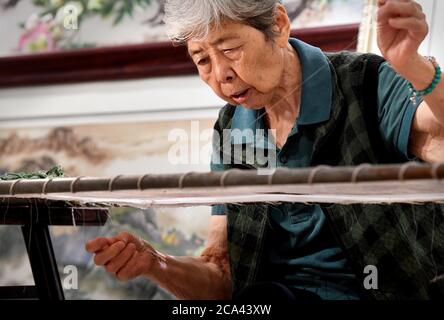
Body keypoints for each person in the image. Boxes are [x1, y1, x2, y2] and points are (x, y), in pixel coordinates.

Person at [85, 0, 444, 300]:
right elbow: (222, 275)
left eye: (230, 49)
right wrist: (154, 263)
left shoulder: (364, 81)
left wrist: (413, 66)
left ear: (278, 24)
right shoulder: (230, 127)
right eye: (202, 60)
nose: (221, 74)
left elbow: (438, 137)